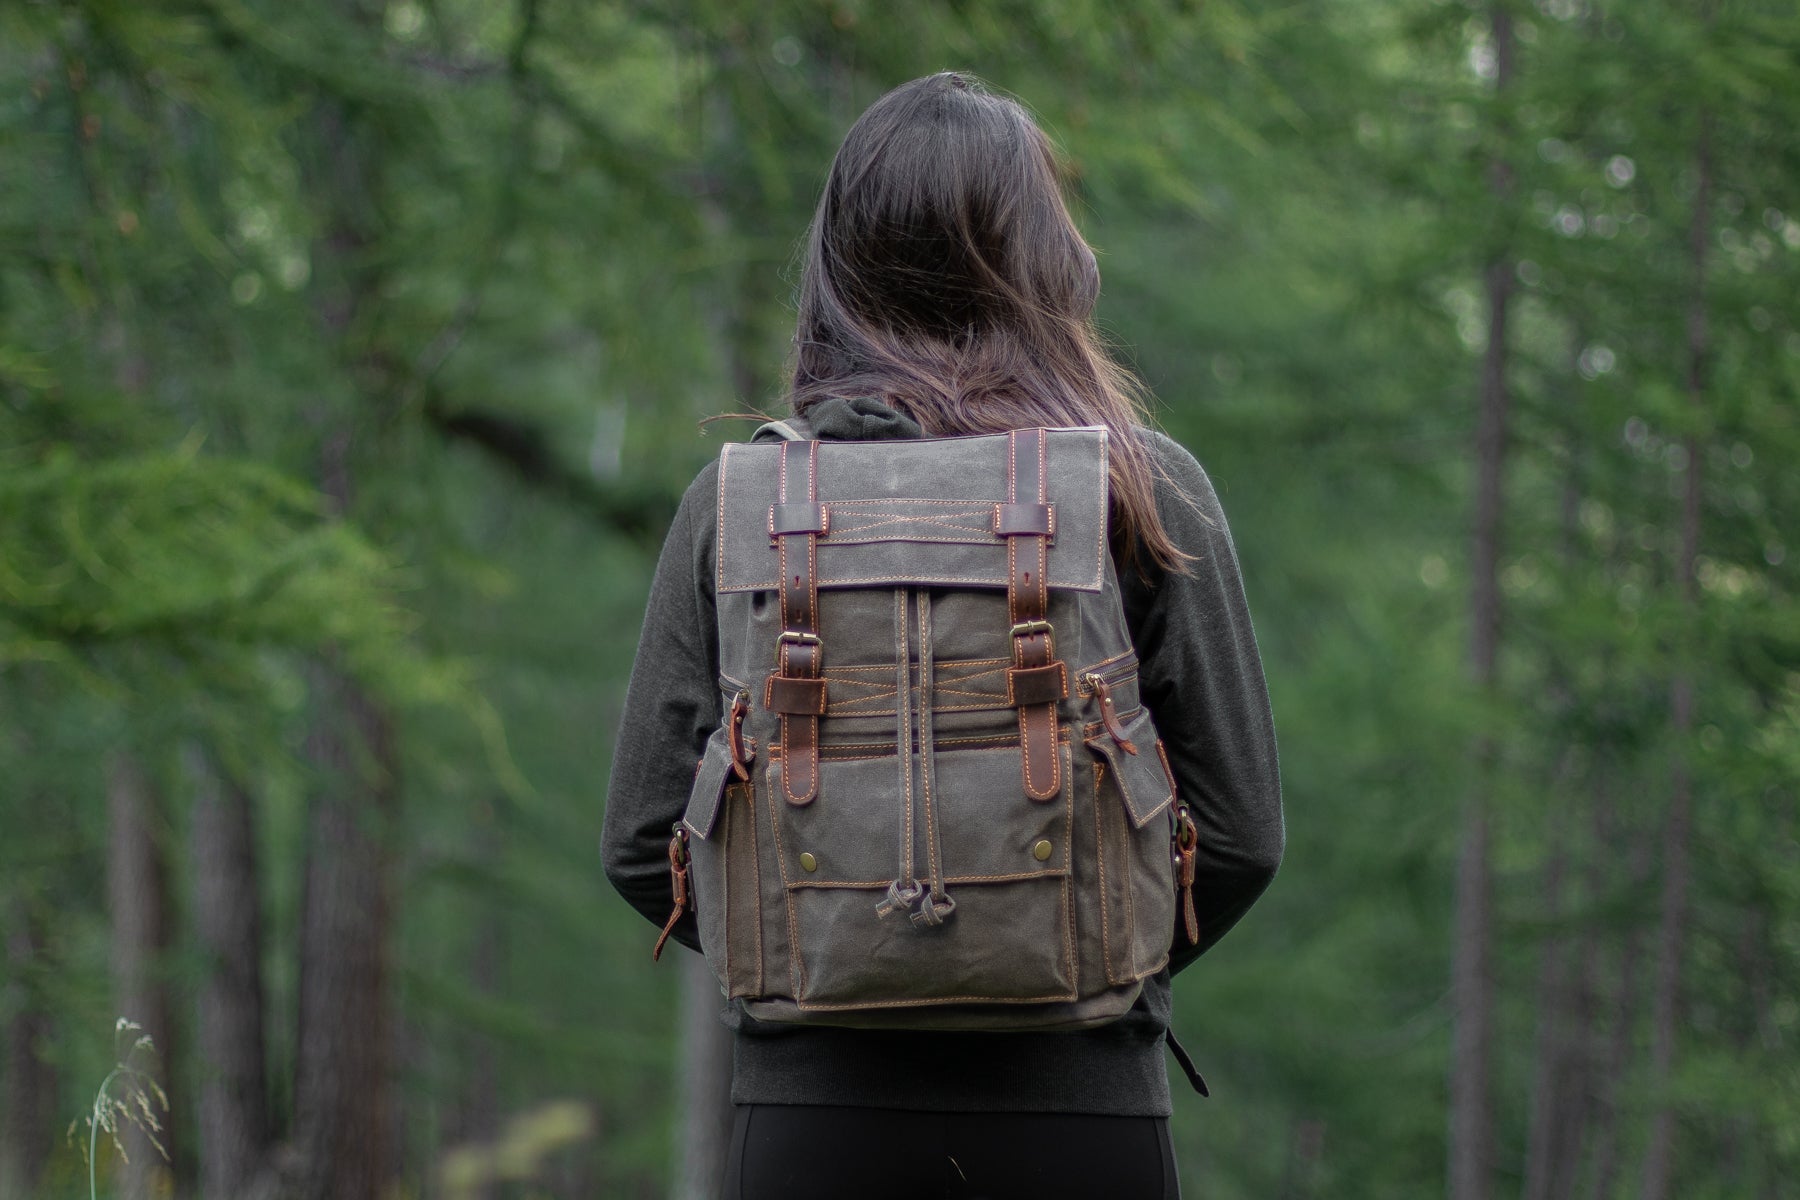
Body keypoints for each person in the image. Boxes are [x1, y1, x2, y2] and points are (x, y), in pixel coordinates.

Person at [602, 71, 1283, 1200]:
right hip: (1084, 1124)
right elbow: (1244, 835)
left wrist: (836, 962)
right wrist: (1072, 954)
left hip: (811, 1131)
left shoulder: (738, 505)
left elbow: (643, 843)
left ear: (837, 270)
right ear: (1044, 260)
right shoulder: (1138, 488)